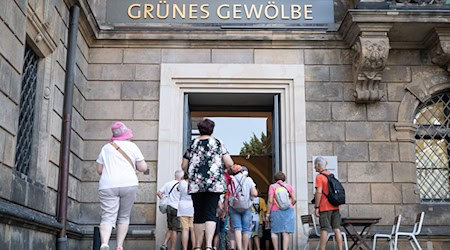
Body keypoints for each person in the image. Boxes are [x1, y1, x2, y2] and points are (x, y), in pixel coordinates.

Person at [181, 118, 234, 250]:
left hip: (196, 184)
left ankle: (198, 246)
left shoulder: (193, 143)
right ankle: (209, 246)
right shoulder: (217, 142)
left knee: (198, 214)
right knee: (211, 214)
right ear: (212, 129)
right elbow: (229, 163)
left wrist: (191, 172)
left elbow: (183, 165)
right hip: (214, 184)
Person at [96, 122, 148, 250]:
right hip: (129, 183)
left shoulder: (106, 148)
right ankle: (119, 246)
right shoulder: (133, 146)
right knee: (124, 216)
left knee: (107, 216)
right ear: (126, 134)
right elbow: (142, 167)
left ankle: (104, 243)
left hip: (108, 184)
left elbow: (99, 170)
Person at [313, 157, 343, 250]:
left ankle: (322, 249)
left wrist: (317, 207)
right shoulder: (331, 175)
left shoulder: (319, 177)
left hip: (325, 207)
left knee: (324, 229)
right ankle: (340, 249)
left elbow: (319, 192)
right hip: (335, 206)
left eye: (315, 165)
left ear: (319, 165)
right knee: (337, 229)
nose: (314, 167)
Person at [227, 165, 258, 250]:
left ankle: (239, 248)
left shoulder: (230, 179)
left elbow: (227, 193)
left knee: (237, 228)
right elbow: (255, 193)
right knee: (246, 229)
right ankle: (245, 248)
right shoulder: (248, 180)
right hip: (246, 207)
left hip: (234, 206)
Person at [265, 172, 296, 250]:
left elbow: (270, 201)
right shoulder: (288, 186)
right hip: (288, 211)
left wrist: (268, 213)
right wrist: (288, 205)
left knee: (274, 231)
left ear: (275, 179)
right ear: (284, 178)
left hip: (276, 211)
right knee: (286, 232)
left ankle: (276, 248)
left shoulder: (272, 187)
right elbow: (294, 199)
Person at [157, 169, 184, 250]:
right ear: (181, 177)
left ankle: (164, 244)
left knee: (170, 227)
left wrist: (163, 199)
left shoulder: (168, 184)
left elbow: (159, 193)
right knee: (175, 230)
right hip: (177, 208)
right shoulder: (181, 185)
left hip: (169, 207)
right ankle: (172, 248)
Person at [178, 171, 196, 250]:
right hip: (193, 206)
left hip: (183, 206)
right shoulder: (195, 182)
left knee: (185, 229)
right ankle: (195, 247)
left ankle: (185, 248)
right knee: (193, 229)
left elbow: (178, 189)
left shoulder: (182, 183)